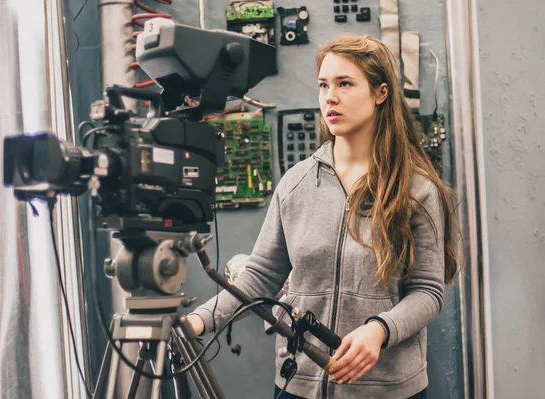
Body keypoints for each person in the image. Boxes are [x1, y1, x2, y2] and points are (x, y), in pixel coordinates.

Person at [187, 34, 461, 399]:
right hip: (298, 383)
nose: (329, 97)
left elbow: (428, 292)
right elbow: (259, 277)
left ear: (380, 93)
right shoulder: (296, 182)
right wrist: (198, 320)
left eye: (345, 84)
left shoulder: (415, 189)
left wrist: (379, 329)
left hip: (387, 389)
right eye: (323, 85)